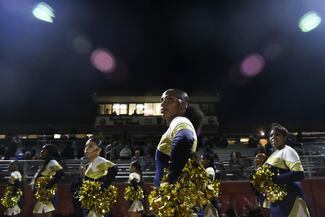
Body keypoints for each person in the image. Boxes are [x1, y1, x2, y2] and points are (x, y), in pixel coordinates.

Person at [154, 88, 204, 186]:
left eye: (170, 99)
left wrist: (172, 180)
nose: (163, 104)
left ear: (183, 105)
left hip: (171, 197)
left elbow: (184, 139)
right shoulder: (177, 124)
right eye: (162, 100)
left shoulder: (179, 120)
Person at [265, 123, 310, 217]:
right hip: (278, 200)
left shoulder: (288, 150)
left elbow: (299, 174)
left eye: (277, 134)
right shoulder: (274, 154)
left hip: (290, 198)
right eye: (271, 135)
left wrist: (274, 179)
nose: (273, 137)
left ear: (284, 137)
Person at [81, 137, 118, 217]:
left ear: (98, 150)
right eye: (86, 146)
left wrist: (103, 188)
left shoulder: (99, 160)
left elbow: (114, 168)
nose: (86, 149)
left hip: (98, 202)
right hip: (93, 201)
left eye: (90, 146)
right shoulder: (91, 163)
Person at [32, 144, 64, 217]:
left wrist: (48, 185)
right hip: (43, 194)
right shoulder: (48, 162)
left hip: (45, 195)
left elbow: (61, 173)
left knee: (38, 214)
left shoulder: (52, 161)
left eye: (44, 150)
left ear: (49, 152)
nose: (41, 152)